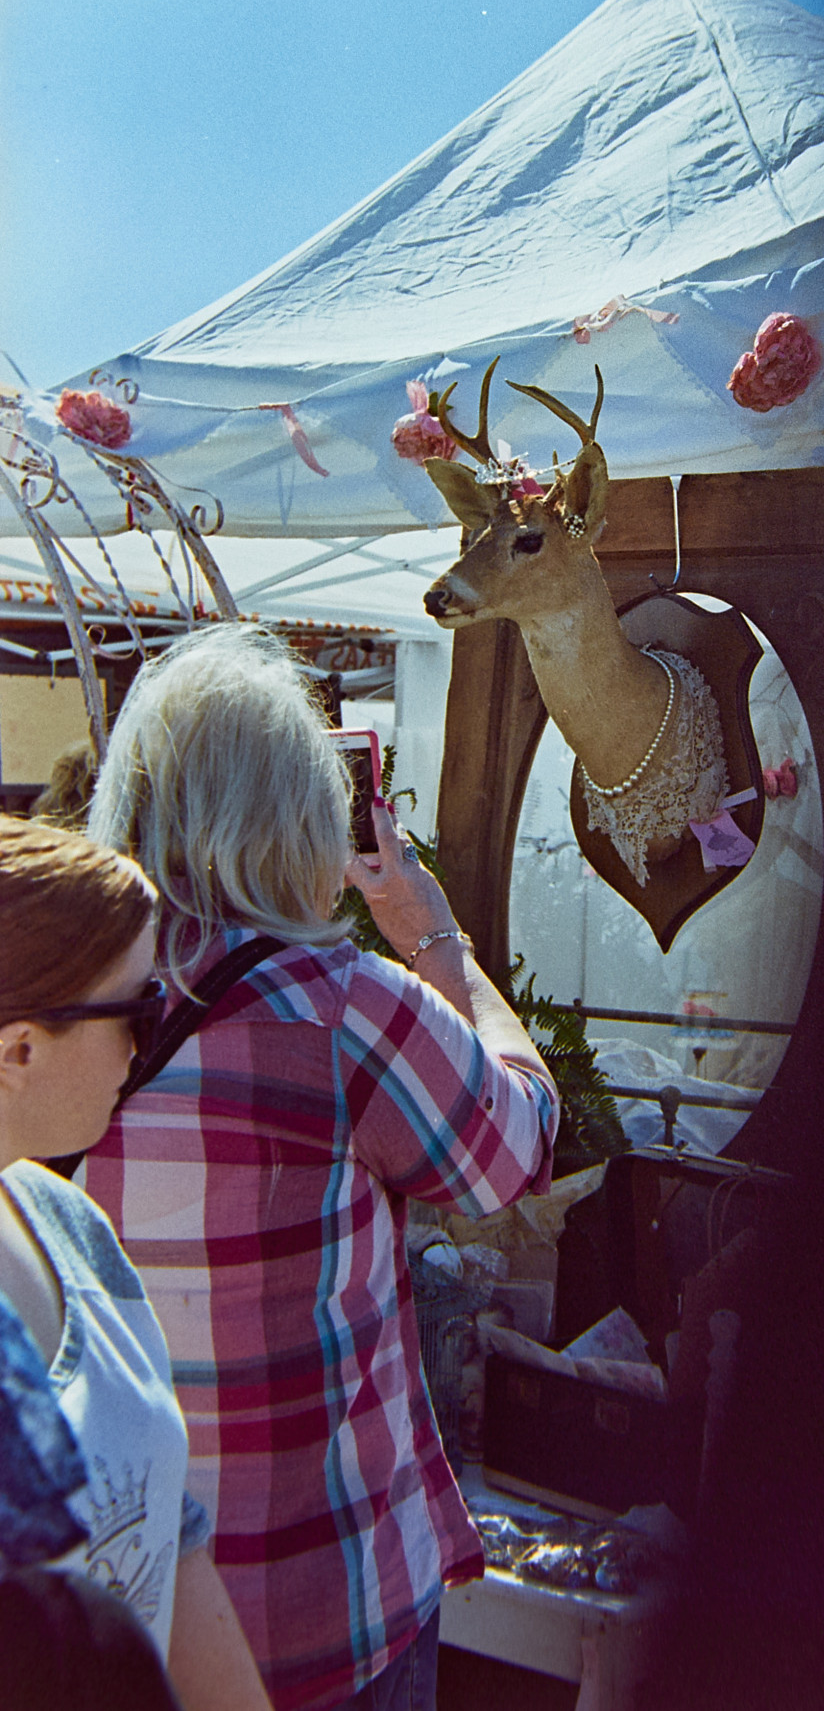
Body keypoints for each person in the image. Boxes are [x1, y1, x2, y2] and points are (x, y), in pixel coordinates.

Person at [82, 623, 559, 1711]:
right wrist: (437, 940)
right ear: (303, 810)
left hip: (110, 1620)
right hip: (318, 1619)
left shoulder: (60, 1013)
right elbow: (515, 1147)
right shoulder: (340, 1005)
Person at [0, 814, 271, 1710]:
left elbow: (167, 1528)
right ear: (20, 1049)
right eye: (138, 1010)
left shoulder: (69, 1224)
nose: (149, 1043)